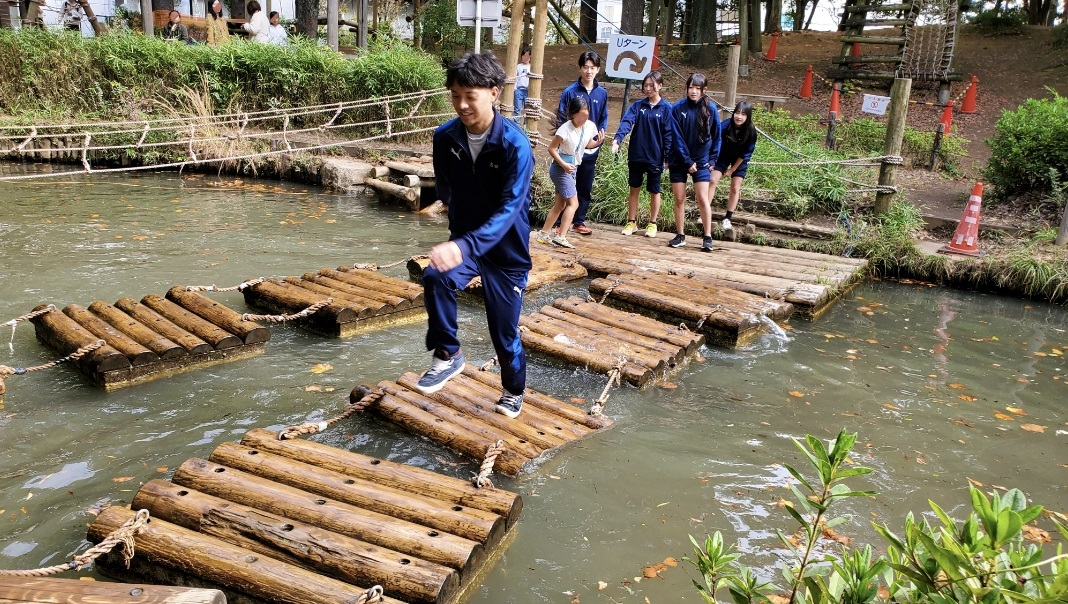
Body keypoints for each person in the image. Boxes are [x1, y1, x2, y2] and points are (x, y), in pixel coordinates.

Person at [416, 51, 534, 420]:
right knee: (435, 276)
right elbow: (446, 187)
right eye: (455, 96)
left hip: (507, 251)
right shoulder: (445, 137)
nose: (462, 105)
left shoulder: (516, 145)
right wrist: (460, 231)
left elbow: (509, 210)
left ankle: (514, 391)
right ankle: (449, 354)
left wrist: (465, 242)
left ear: (494, 93)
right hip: (465, 242)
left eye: (471, 96)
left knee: (504, 331)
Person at [611, 70, 675, 238]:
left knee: (655, 190)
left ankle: (652, 224)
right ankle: (631, 222)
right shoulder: (638, 106)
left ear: (660, 86)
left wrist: (668, 157)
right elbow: (627, 122)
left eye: (651, 86)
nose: (648, 89)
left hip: (655, 157)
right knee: (634, 189)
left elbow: (669, 134)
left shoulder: (667, 109)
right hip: (636, 155)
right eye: (645, 85)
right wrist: (618, 139)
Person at [534, 96, 600, 249]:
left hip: (572, 169)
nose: (584, 118)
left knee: (560, 204)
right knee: (574, 203)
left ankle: (544, 234)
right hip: (560, 169)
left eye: (586, 115)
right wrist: (563, 164)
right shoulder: (564, 129)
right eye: (580, 116)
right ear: (572, 114)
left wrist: (596, 143)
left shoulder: (589, 126)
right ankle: (560, 236)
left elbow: (586, 144)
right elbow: (551, 149)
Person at [555, 51, 608, 236]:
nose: (589, 71)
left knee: (585, 185)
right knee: (565, 187)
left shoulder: (602, 93)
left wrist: (598, 140)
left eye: (592, 68)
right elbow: (561, 117)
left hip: (590, 147)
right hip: (569, 149)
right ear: (580, 68)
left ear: (598, 69)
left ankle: (579, 221)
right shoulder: (570, 92)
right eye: (585, 67)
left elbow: (603, 118)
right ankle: (561, 223)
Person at [668, 73, 721, 252]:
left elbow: (717, 136)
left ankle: (707, 237)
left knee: (702, 198)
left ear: (704, 90)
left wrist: (713, 158)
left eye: (697, 88)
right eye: (691, 87)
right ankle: (680, 235)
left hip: (702, 161)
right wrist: (687, 160)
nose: (693, 91)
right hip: (680, 159)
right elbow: (676, 137)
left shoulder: (711, 109)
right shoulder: (677, 108)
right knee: (679, 198)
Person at [711, 101, 757, 231]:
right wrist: (713, 161)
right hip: (723, 156)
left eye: (743, 114)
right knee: (712, 180)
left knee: (735, 187)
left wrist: (732, 170)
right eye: (737, 113)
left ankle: (727, 218)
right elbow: (715, 141)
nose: (739, 117)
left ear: (748, 117)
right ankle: (704, 212)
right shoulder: (725, 125)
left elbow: (745, 154)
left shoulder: (751, 131)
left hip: (739, 160)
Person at [513, 47, 531, 119]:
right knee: (517, 110)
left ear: (530, 57)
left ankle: (526, 126)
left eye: (527, 56)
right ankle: (516, 126)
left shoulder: (532, 67)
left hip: (528, 91)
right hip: (519, 90)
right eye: (524, 56)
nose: (525, 58)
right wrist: (515, 89)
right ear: (521, 56)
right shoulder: (518, 67)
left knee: (528, 110)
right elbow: (515, 77)